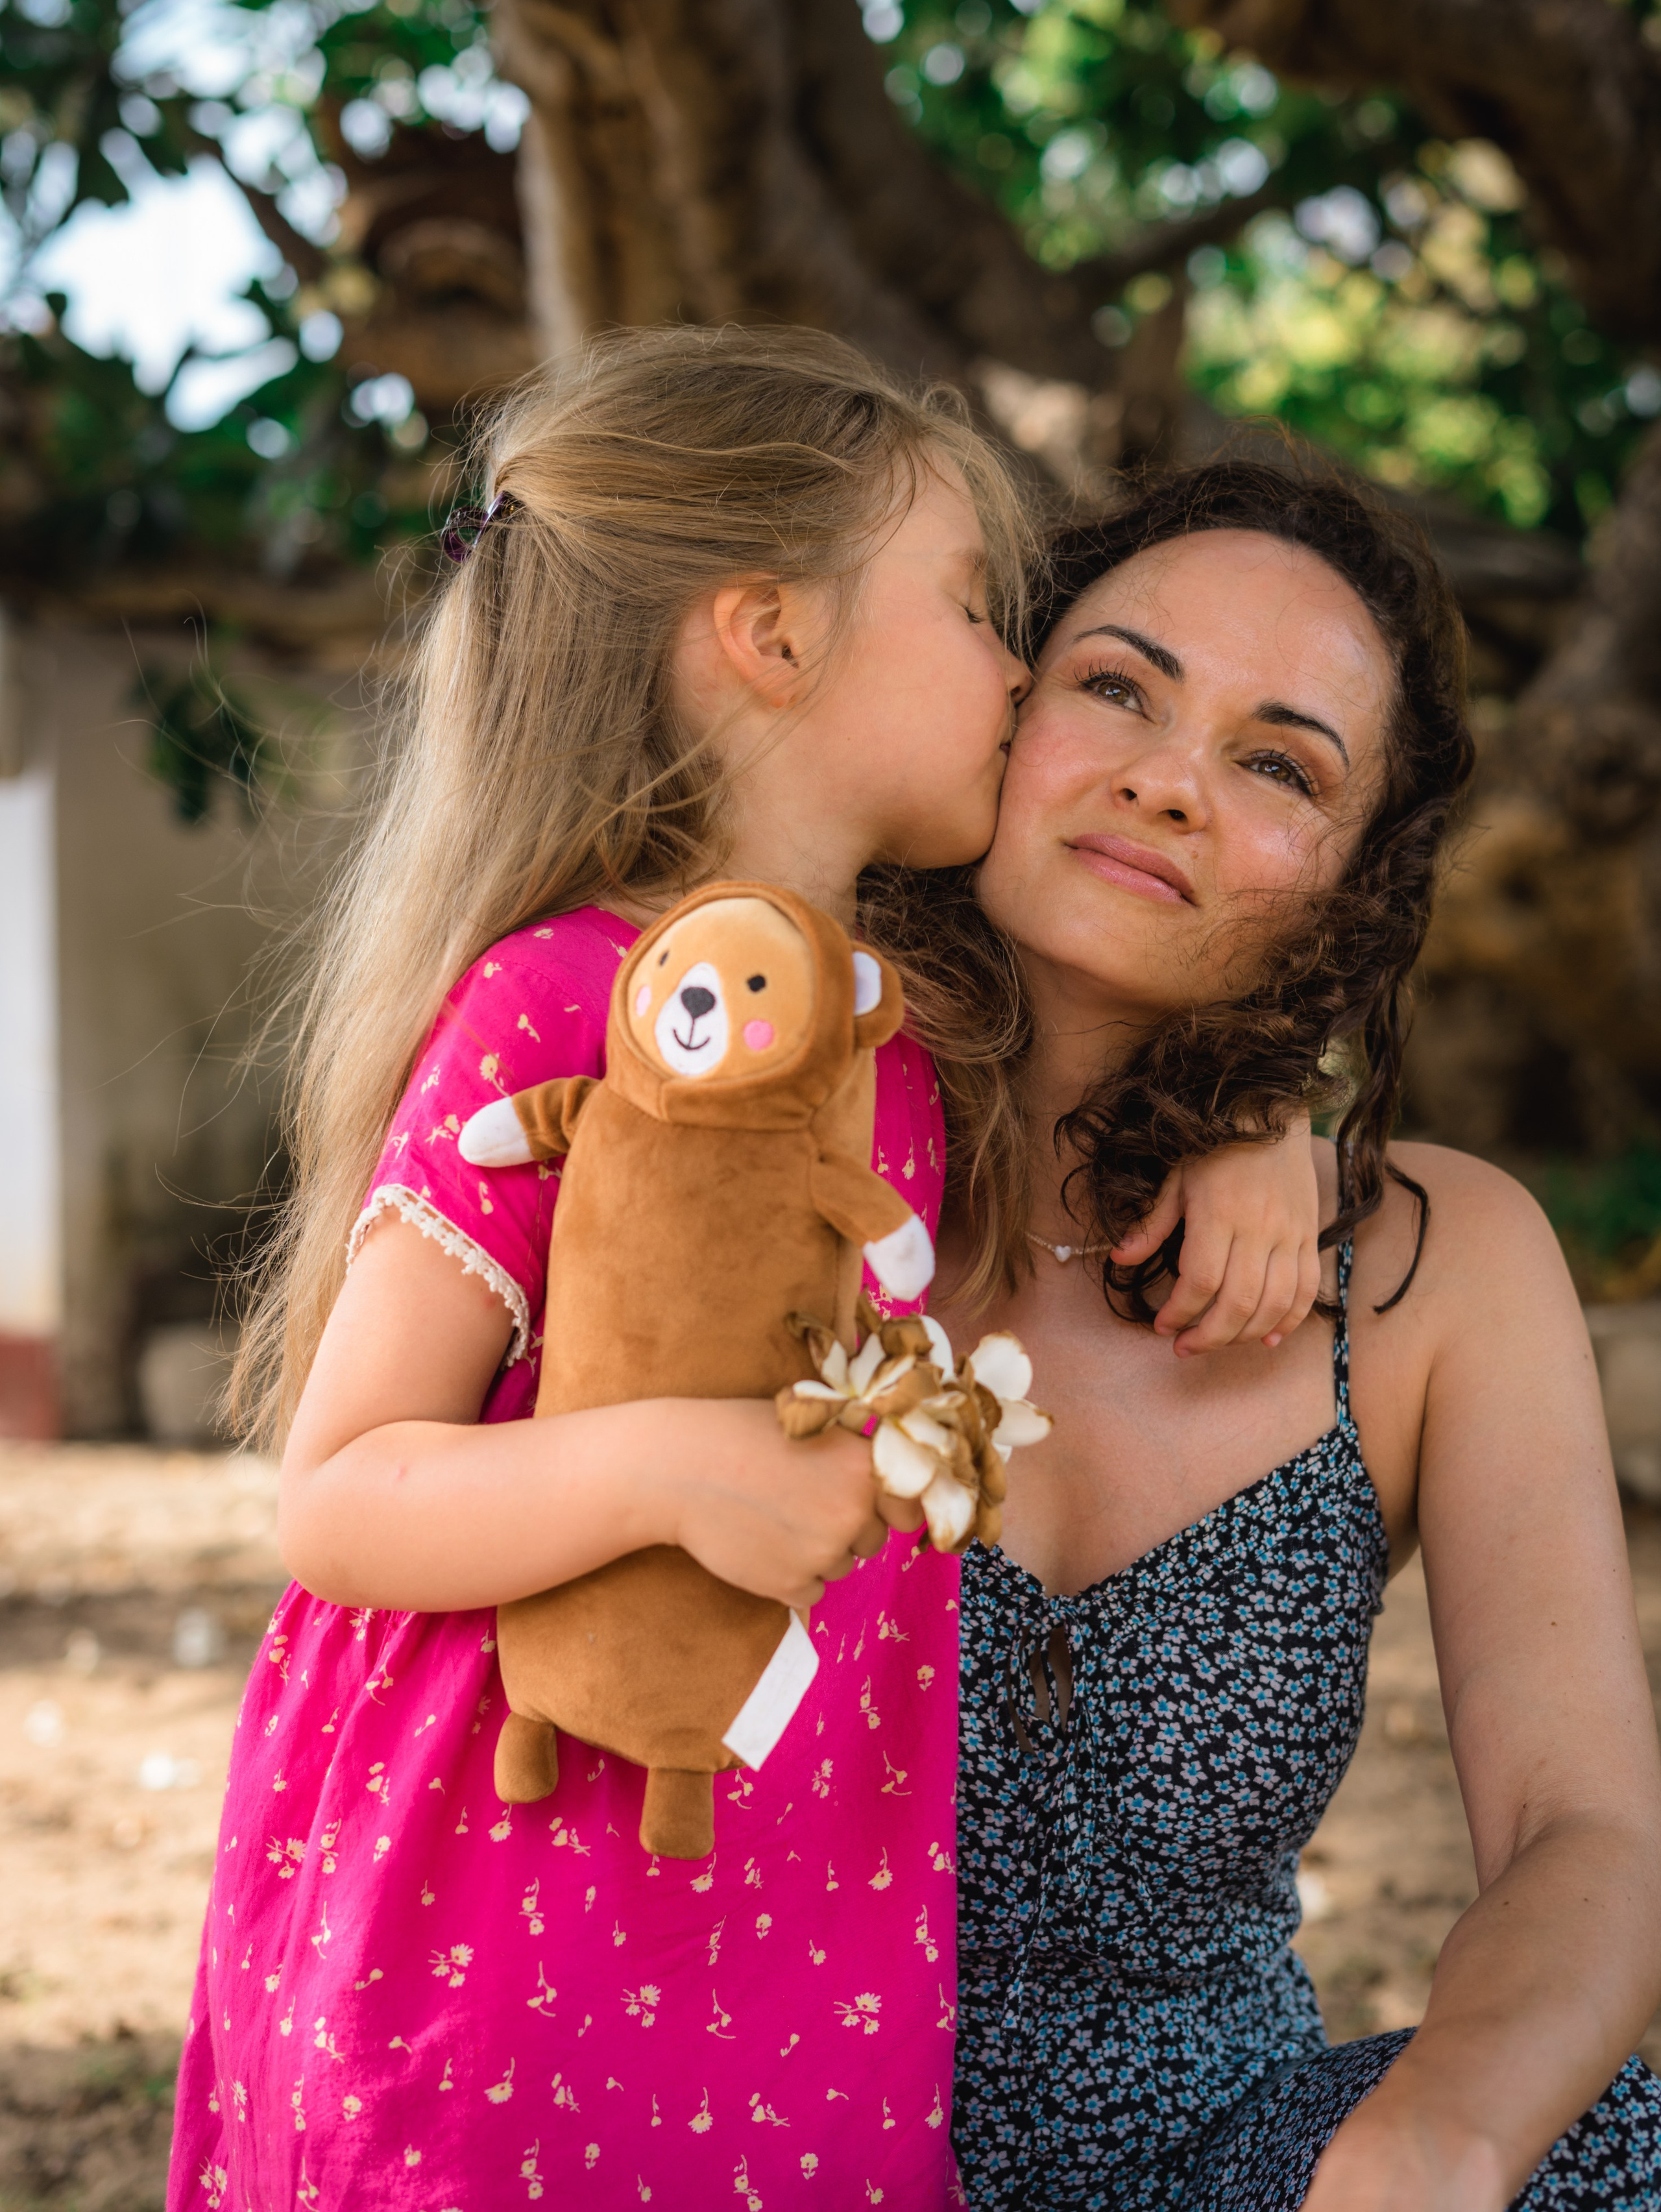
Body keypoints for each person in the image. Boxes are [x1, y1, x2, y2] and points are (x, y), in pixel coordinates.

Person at [167, 332, 1323, 2211]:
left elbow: (1136, 1045)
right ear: (773, 635)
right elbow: (342, 1491)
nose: (1018, 667)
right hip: (500, 1907)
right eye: (973, 606)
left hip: (794, 1921)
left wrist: (1271, 1121)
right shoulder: (562, 1000)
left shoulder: (907, 1030)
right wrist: (665, 1468)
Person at [915, 460, 1661, 2211]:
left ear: (1357, 889)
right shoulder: (756, 1152)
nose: (1169, 779)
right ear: (998, 702)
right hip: (754, 2148)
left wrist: (1441, 2138)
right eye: (1119, 685)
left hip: (1233, 2168)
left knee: (1611, 2146)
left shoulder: (1427, 1267)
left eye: (1280, 765)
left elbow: (1585, 1830)